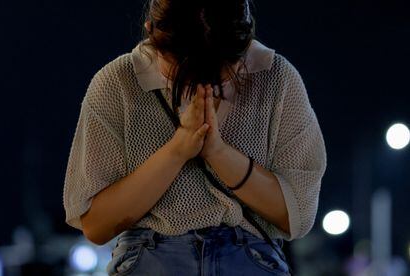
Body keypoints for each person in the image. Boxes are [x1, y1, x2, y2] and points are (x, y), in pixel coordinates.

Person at [62, 0, 327, 274]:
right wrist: (178, 149)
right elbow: (96, 224)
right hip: (150, 256)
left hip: (248, 256)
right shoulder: (118, 83)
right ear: (151, 34)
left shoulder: (276, 78)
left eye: (219, 74)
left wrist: (218, 152)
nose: (202, 85)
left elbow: (298, 214)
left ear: (243, 43)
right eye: (184, 74)